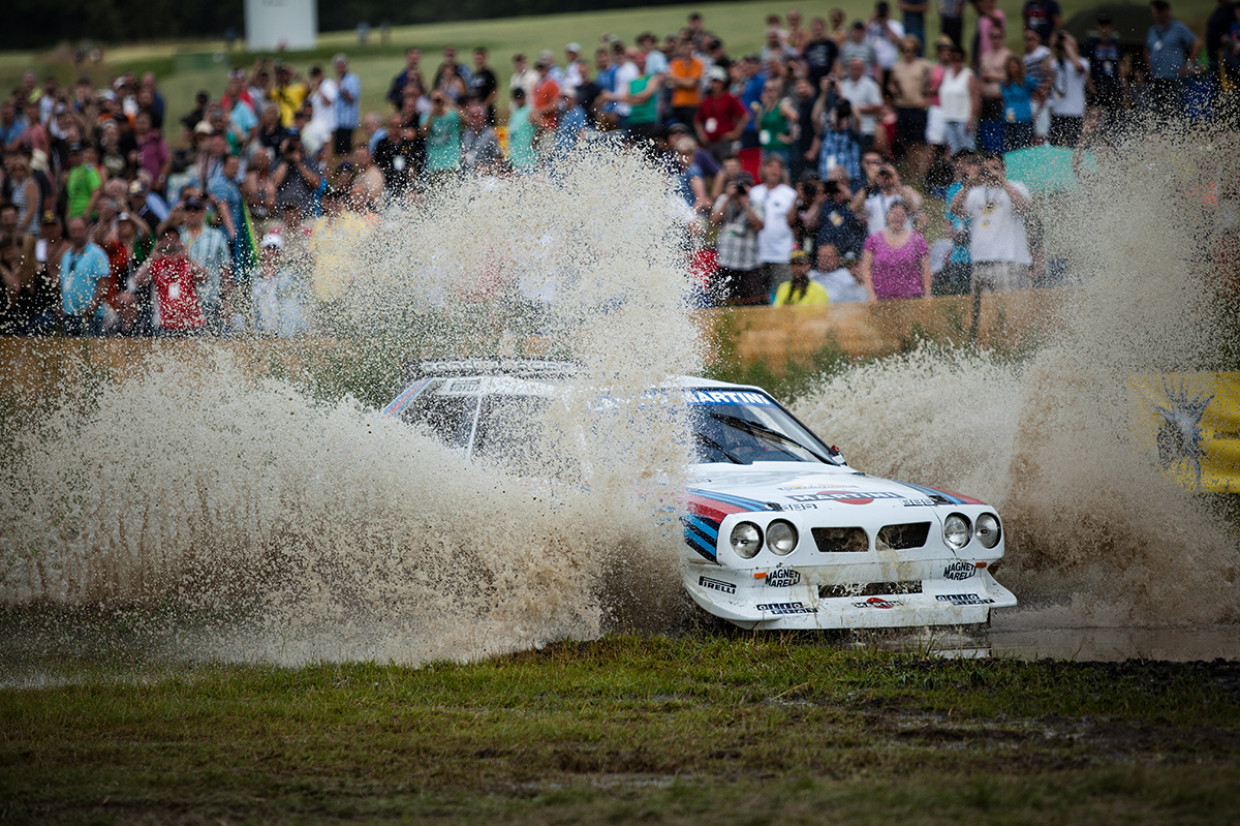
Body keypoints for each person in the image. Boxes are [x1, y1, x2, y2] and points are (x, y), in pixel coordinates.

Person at [949, 151, 1033, 332]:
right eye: (987, 170)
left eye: (995, 168)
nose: (991, 173)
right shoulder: (976, 193)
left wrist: (1001, 181)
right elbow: (955, 210)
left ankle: (1015, 347)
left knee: (1010, 313)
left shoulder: (1016, 186)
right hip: (980, 262)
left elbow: (1025, 206)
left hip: (1009, 261)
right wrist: (966, 187)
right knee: (984, 317)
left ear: (1003, 169)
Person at [133, 228, 207, 337]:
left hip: (192, 323)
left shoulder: (187, 262)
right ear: (161, 242)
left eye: (175, 239)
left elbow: (204, 277)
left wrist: (188, 257)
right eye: (167, 239)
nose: (171, 243)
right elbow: (138, 280)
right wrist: (152, 256)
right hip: (166, 324)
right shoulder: (157, 263)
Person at [175, 195, 232, 334]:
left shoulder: (217, 236)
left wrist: (227, 302)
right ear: (183, 213)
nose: (192, 213)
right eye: (188, 209)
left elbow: (225, 270)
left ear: (203, 212)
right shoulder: (176, 237)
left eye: (197, 209)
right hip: (183, 303)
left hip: (210, 300)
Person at [709, 171, 765, 305]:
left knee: (752, 304)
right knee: (722, 303)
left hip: (748, 263)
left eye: (746, 185)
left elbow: (759, 226)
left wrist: (746, 204)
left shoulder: (755, 203)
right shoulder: (724, 199)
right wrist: (729, 197)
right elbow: (713, 221)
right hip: (726, 262)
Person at [749, 155, 799, 301]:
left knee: (783, 296)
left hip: (781, 254)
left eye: (778, 167)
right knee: (758, 298)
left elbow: (792, 223)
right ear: (763, 169)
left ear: (782, 171)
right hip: (757, 254)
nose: (774, 170)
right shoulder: (754, 192)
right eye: (770, 166)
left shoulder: (789, 194)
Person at [860, 199, 931, 300]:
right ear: (887, 215)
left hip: (912, 298)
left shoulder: (917, 239)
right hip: (881, 298)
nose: (897, 217)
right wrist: (871, 295)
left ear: (906, 218)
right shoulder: (873, 239)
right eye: (894, 213)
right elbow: (866, 268)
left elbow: (926, 268)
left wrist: (927, 294)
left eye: (901, 214)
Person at [1144, 0, 1202, 123]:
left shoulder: (1178, 27)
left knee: (1176, 109)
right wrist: (1150, 67)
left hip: (1175, 77)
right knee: (1159, 111)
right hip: (1157, 77)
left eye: (1155, 12)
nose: (1154, 15)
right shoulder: (1152, 30)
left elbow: (1197, 43)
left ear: (1163, 12)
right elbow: (1147, 49)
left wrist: (1189, 64)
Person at [59, 215, 111, 335]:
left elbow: (103, 283)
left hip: (92, 316)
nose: (76, 234)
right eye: (73, 231)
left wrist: (92, 308)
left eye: (80, 230)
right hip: (70, 314)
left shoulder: (97, 253)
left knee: (91, 351)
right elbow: (62, 283)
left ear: (87, 230)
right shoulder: (66, 256)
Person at [1082, 13, 1126, 136]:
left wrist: (1123, 82)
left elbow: (1120, 65)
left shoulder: (1115, 43)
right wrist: (1090, 85)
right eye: (1102, 25)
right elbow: (1087, 65)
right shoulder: (1091, 43)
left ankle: (1113, 137)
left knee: (1115, 116)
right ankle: (1091, 138)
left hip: (1113, 85)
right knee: (1093, 116)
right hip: (1097, 85)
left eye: (1106, 25)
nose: (1104, 28)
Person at [695, 66, 749, 162]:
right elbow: (698, 120)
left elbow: (745, 115)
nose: (715, 85)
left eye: (717, 81)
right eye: (713, 81)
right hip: (710, 141)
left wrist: (736, 133)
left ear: (722, 83)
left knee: (725, 165)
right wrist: (701, 135)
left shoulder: (729, 98)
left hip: (724, 140)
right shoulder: (707, 100)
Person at [1049, 31, 1089, 147]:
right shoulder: (1057, 63)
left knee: (1073, 146)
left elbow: (1078, 68)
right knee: (1055, 146)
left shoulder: (1083, 62)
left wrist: (1068, 46)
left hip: (1074, 112)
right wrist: (1053, 46)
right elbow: (1046, 67)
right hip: (1058, 112)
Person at [939, 44, 980, 155]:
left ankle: (972, 172)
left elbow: (974, 97)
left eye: (959, 59)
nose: (956, 62)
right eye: (954, 59)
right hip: (948, 118)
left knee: (968, 150)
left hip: (963, 119)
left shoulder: (968, 74)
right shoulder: (947, 73)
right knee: (954, 153)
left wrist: (971, 119)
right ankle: (959, 172)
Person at [838, 57, 885, 151]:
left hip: (866, 129)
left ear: (863, 69)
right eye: (853, 67)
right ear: (848, 68)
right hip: (846, 129)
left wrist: (855, 109)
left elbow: (878, 107)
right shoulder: (842, 85)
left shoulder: (870, 85)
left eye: (858, 67)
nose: (856, 69)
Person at [1000, 54, 1041, 150]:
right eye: (1010, 67)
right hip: (1009, 119)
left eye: (1014, 67)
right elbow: (1004, 99)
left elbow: (1041, 94)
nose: (1012, 69)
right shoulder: (1005, 82)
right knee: (1009, 147)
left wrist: (1037, 111)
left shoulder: (1027, 81)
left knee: (1023, 146)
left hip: (1023, 118)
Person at [419, 91, 461, 179]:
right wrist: (432, 113)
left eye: (439, 99)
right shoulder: (425, 117)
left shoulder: (452, 114)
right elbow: (423, 133)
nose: (438, 102)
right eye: (435, 100)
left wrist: (450, 103)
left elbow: (468, 120)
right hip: (434, 165)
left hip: (452, 163)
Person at [332, 53, 361, 156]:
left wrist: (341, 88)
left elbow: (352, 99)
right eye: (338, 66)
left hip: (347, 121)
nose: (340, 68)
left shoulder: (352, 79)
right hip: (338, 122)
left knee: (347, 151)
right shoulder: (336, 81)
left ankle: (348, 169)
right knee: (339, 151)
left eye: (342, 65)